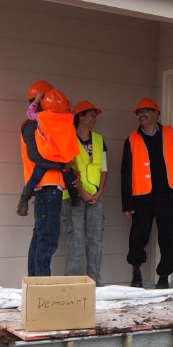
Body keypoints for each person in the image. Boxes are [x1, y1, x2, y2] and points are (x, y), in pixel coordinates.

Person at [121, 97, 173, 289]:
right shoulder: (131, 139)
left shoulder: (170, 134)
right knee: (138, 236)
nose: (142, 114)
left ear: (157, 114)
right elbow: (125, 173)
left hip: (168, 196)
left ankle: (164, 278)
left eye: (146, 111)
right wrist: (127, 204)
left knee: (167, 237)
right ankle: (136, 274)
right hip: (141, 197)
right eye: (139, 112)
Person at [20, 81, 75, 276]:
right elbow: (37, 156)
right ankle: (42, 286)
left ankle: (35, 283)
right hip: (47, 188)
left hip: (47, 187)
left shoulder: (44, 126)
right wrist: (62, 165)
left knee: (40, 237)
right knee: (47, 239)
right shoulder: (33, 126)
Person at [62, 100, 108, 286]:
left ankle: (95, 283)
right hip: (74, 196)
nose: (94, 119)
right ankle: (75, 284)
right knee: (75, 240)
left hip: (95, 197)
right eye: (91, 115)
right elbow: (67, 168)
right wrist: (81, 191)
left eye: (95, 116)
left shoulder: (98, 139)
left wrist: (98, 193)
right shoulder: (68, 138)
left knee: (95, 239)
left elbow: (104, 169)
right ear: (80, 116)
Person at [16, 88, 81, 216]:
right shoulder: (68, 118)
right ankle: (75, 199)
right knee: (68, 176)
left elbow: (30, 113)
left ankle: (24, 200)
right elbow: (71, 112)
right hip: (62, 158)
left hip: (47, 155)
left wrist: (36, 101)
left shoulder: (42, 118)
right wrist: (67, 105)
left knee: (34, 177)